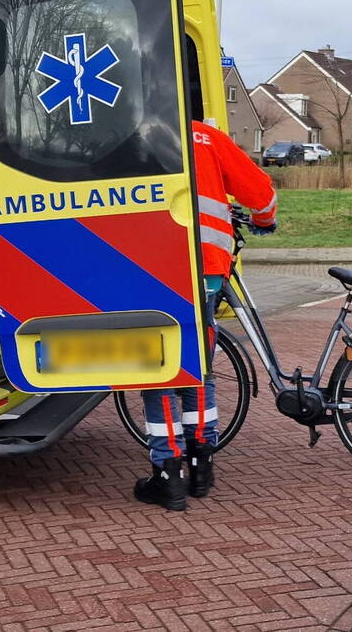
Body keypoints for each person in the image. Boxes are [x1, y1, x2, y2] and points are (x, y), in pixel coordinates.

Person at [134, 121, 278, 511]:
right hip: (208, 268)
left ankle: (168, 477)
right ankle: (202, 469)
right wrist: (265, 221)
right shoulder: (203, 135)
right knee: (200, 366)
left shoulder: (128, 134)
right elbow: (259, 192)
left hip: (150, 267)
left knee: (160, 368)